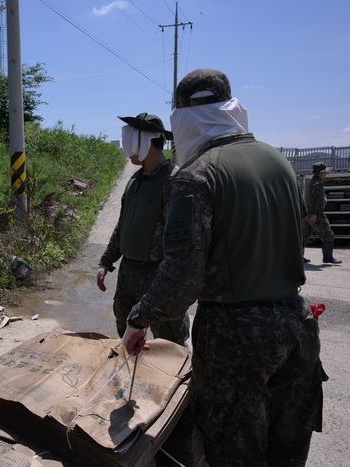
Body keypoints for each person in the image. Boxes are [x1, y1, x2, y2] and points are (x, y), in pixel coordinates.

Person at [122, 69, 324, 465]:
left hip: (236, 340)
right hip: (297, 326)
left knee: (233, 453)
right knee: (287, 450)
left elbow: (181, 279)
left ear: (182, 118)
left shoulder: (197, 176)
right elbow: (300, 237)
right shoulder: (278, 162)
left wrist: (139, 318)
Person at [95, 112, 189, 345]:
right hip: (129, 275)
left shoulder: (174, 181)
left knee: (170, 344)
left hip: (159, 279)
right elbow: (122, 224)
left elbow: (184, 246)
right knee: (127, 337)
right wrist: (106, 262)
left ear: (145, 141)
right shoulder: (135, 181)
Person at [302, 161, 342, 264]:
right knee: (328, 235)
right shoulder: (317, 183)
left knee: (303, 236)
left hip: (307, 214)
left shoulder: (311, 182)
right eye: (325, 172)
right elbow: (314, 198)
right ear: (321, 172)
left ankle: (298, 257)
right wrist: (314, 214)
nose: (326, 174)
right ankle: (328, 258)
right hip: (316, 215)